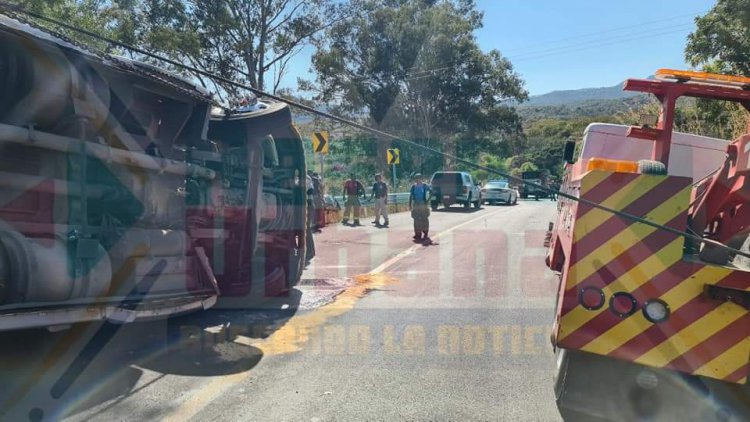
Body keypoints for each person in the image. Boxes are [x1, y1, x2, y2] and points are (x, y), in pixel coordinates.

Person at [409, 173, 431, 242]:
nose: (417, 179)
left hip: (423, 203)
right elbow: (411, 196)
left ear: (421, 178)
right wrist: (410, 205)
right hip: (416, 204)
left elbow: (432, 191)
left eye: (419, 178)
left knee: (424, 218)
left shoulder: (425, 185)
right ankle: (417, 233)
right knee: (416, 219)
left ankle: (425, 232)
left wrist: (427, 201)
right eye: (416, 178)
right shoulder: (413, 186)